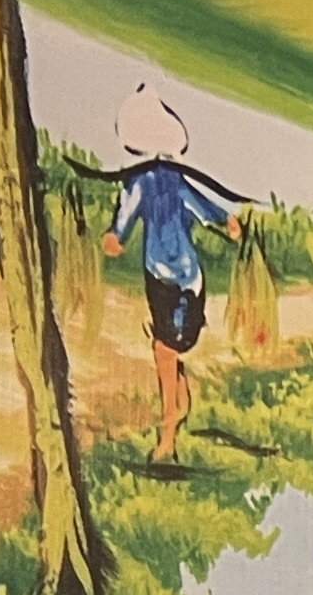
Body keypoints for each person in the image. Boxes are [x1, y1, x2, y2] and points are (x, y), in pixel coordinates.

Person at [103, 88, 240, 465]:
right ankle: (172, 425)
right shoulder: (154, 181)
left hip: (176, 279)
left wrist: (225, 219)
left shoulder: (157, 181)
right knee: (167, 348)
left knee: (168, 348)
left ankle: (171, 426)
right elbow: (130, 214)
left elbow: (198, 206)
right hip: (175, 279)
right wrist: (115, 235)